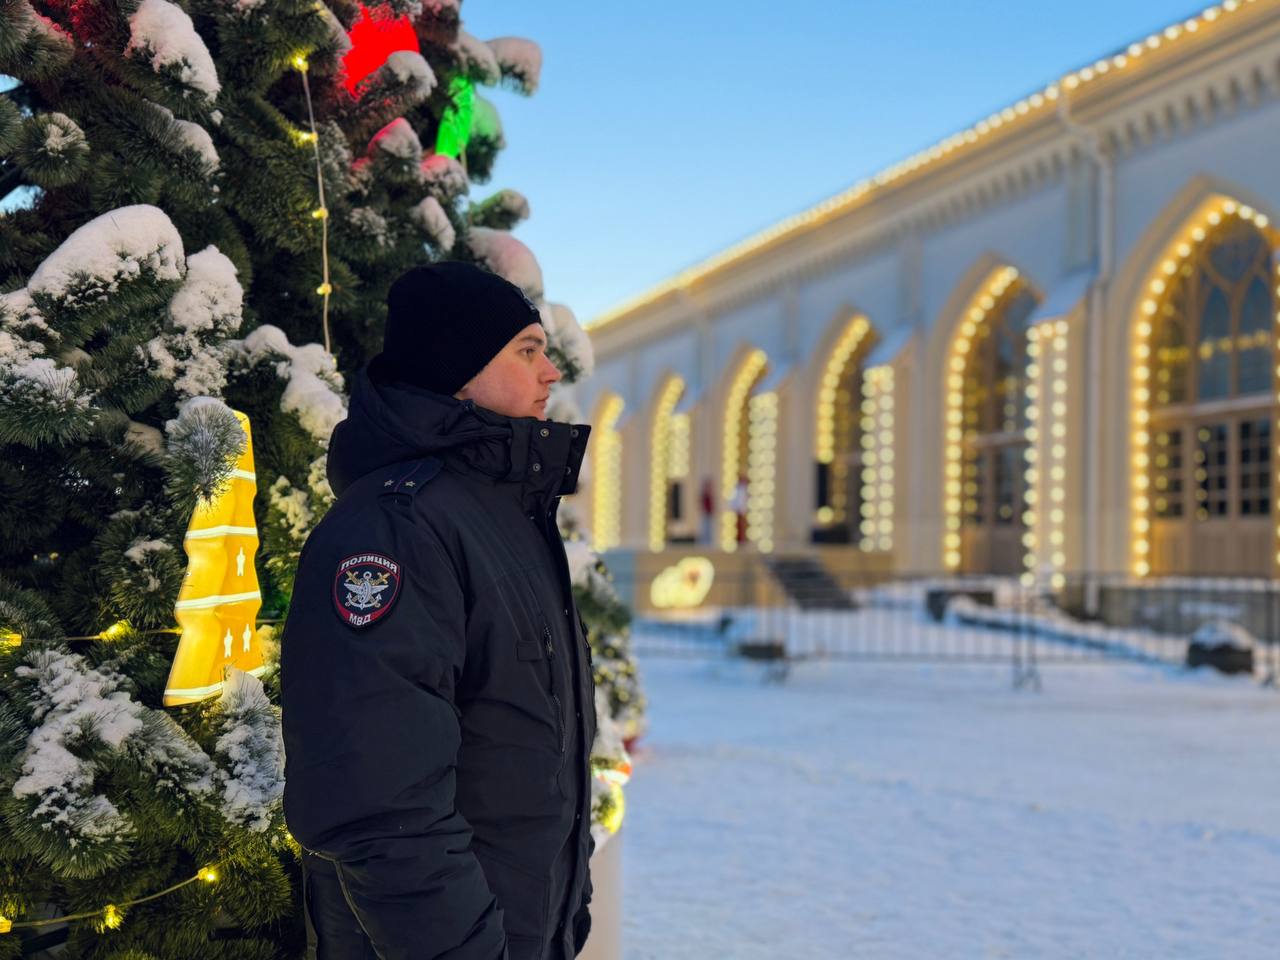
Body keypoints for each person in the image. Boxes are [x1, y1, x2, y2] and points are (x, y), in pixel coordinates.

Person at [280, 261, 596, 960]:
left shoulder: (505, 517)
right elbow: (379, 804)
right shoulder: (398, 527)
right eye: (527, 351)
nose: (551, 373)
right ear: (458, 372)